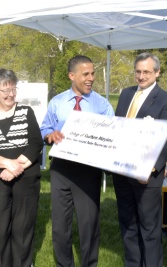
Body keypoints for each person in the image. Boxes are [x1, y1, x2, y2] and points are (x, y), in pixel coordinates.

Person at [40, 55, 114, 267]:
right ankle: (65, 264)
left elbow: (112, 135)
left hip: (88, 169)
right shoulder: (57, 102)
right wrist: (49, 135)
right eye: (86, 74)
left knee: (88, 224)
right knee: (60, 225)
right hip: (60, 169)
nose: (91, 78)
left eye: (93, 73)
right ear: (72, 76)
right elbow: (45, 127)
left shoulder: (102, 104)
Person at [112, 52, 167, 267]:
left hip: (147, 176)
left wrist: (151, 168)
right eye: (138, 71)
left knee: (149, 229)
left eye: (147, 72)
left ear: (157, 72)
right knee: (128, 225)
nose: (141, 76)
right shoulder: (125, 94)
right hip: (121, 172)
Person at [0, 68, 43, 267]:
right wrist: (7, 164)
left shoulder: (26, 111)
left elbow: (36, 143)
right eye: (5, 90)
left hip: (26, 179)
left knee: (23, 229)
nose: (11, 94)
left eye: (13, 89)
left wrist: (17, 167)